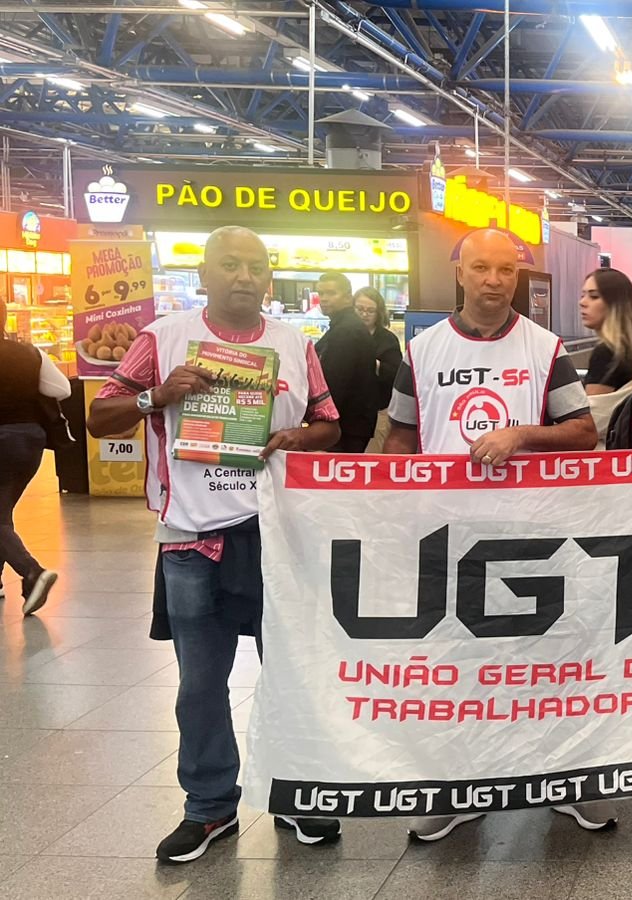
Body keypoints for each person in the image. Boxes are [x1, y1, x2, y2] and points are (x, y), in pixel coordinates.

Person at [86, 225, 345, 863]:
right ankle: (208, 809)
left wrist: (298, 440)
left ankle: (299, 795)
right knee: (201, 684)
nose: (244, 277)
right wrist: (158, 395)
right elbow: (97, 417)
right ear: (204, 273)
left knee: (291, 676)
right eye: (229, 265)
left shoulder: (293, 344)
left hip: (278, 540)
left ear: (270, 276)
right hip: (191, 540)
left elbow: (330, 425)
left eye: (255, 265)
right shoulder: (162, 338)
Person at [382, 228, 602, 839]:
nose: (493, 280)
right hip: (448, 539)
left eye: (505, 270)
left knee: (550, 664)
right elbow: (400, 438)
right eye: (481, 267)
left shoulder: (545, 347)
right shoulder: (421, 351)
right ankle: (460, 788)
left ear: (518, 276)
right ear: (460, 273)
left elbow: (583, 432)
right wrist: (393, 514)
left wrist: (521, 434)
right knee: (458, 669)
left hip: (533, 535)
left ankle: (562, 782)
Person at [0, 320, 69, 615]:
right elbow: (61, 388)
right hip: (30, 439)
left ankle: (32, 571)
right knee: (2, 512)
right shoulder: (29, 352)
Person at [312, 273, 382, 452]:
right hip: (349, 425)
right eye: (321, 293)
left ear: (348, 296)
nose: (325, 299)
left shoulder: (347, 331)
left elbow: (333, 384)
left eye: (331, 293)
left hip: (343, 428)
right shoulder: (343, 327)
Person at [579, 268, 632, 396]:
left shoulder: (607, 352)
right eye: (582, 295)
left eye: (594, 296)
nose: (582, 302)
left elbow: (595, 412)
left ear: (615, 304)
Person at [352, 287, 402, 453]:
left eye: (370, 310)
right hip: (349, 412)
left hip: (378, 411)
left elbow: (396, 374)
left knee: (373, 460)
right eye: (360, 309)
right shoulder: (345, 335)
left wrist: (373, 364)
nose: (364, 314)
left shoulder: (388, 340)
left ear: (379, 312)